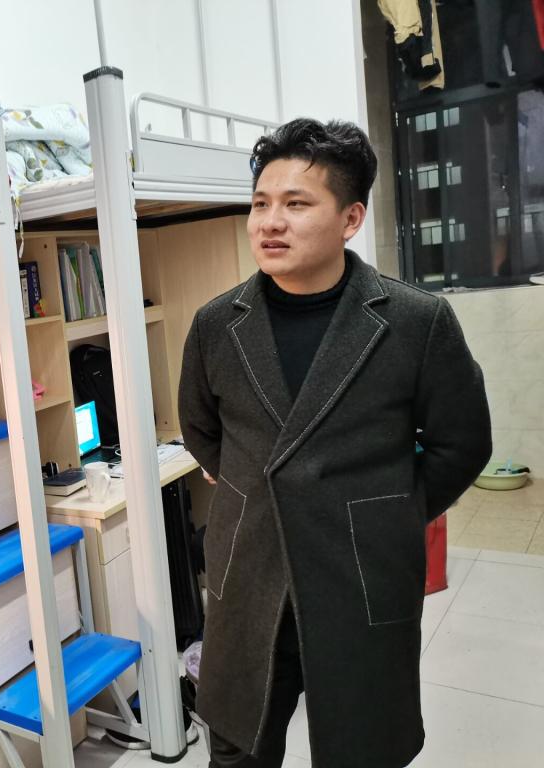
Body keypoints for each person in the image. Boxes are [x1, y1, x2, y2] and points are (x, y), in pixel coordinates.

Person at [178, 118, 491, 768]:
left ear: (351, 219)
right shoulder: (216, 325)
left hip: (358, 571)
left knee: (361, 746)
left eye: (296, 204)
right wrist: (257, 487)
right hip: (248, 570)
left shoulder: (415, 321)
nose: (270, 222)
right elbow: (202, 430)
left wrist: (387, 511)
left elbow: (461, 444)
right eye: (260, 203)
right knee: (237, 747)